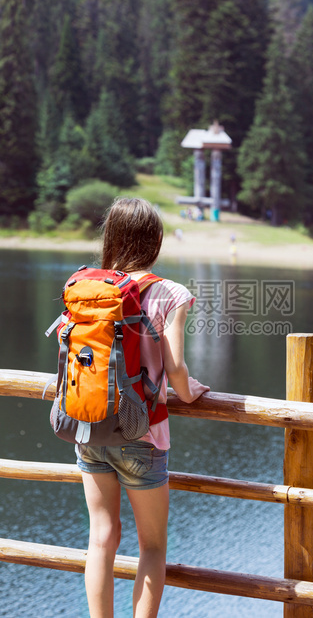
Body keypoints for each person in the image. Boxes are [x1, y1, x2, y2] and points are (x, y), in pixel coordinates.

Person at [75, 197, 210, 618]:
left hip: (89, 425)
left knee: (102, 538)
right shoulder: (170, 293)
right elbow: (176, 367)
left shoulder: (89, 287)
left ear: (111, 237)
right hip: (142, 434)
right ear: (155, 241)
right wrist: (190, 392)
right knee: (152, 547)